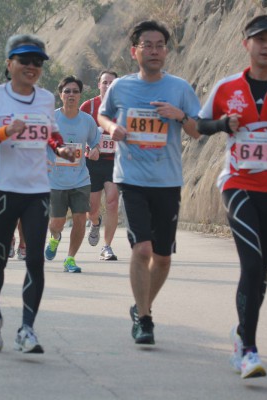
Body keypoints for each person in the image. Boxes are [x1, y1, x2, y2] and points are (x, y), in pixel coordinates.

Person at [0, 34, 74, 353]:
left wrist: (61, 149)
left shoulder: (45, 99)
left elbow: (51, 132)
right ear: (9, 63)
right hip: (3, 191)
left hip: (37, 191)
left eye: (37, 62)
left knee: (35, 261)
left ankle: (27, 329)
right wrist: (4, 132)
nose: (31, 66)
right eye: (24, 60)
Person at [98, 20, 201, 345]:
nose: (155, 51)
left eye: (160, 46)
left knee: (163, 257)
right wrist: (111, 127)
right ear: (135, 51)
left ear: (166, 51)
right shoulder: (121, 87)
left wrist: (179, 116)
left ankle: (141, 305)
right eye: (148, 45)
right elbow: (102, 114)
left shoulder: (179, 88)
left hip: (167, 181)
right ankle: (144, 320)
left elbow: (198, 130)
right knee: (142, 249)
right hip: (132, 179)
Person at [197, 15, 267, 379]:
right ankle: (248, 351)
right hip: (238, 185)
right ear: (246, 44)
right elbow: (199, 124)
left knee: (262, 273)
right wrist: (223, 124)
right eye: (260, 39)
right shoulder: (227, 87)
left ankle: (242, 332)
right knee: (252, 265)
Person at [45, 76, 100, 273]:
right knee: (56, 224)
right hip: (55, 181)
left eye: (75, 91)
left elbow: (95, 143)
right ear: (60, 95)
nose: (71, 95)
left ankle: (70, 258)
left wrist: (95, 151)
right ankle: (55, 238)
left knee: (80, 219)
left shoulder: (87, 121)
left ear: (80, 95)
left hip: (80, 179)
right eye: (67, 91)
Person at [80, 70, 120, 261]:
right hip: (92, 162)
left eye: (112, 83)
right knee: (92, 208)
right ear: (99, 85)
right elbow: (77, 133)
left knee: (112, 202)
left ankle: (107, 246)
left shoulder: (124, 107)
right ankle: (95, 223)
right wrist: (90, 148)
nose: (108, 86)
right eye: (105, 82)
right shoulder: (88, 107)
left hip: (114, 161)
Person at [0, 148, 26, 260]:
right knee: (9, 214)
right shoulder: (0, 137)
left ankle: (23, 245)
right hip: (5, 181)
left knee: (23, 215)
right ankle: (10, 241)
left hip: (24, 180)